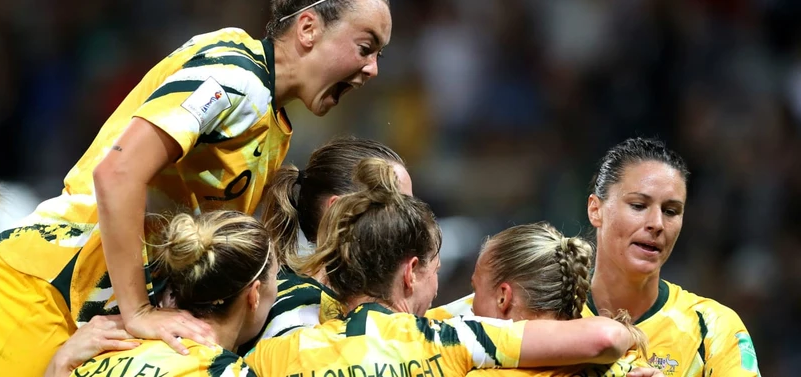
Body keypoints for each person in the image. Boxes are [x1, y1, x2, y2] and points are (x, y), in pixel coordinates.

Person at [0, 0, 391, 377]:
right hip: (37, 289)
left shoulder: (271, 122)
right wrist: (138, 311)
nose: (372, 69)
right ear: (308, 28)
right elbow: (117, 172)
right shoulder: (234, 78)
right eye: (365, 47)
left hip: (84, 307)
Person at [246, 159, 643, 377]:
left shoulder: (275, 354)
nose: (439, 290)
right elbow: (601, 338)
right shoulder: (448, 341)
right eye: (434, 272)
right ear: (410, 273)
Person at [581, 138, 761, 376]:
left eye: (670, 211)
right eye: (638, 205)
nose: (657, 224)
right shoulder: (549, 314)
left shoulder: (712, 328)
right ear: (595, 210)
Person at [46, 211, 278, 377]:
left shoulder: (101, 348)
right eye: (276, 277)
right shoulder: (228, 372)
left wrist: (60, 364)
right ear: (254, 294)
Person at [236, 137, 411, 352]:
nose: (413, 222)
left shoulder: (349, 301)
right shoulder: (297, 307)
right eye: (400, 209)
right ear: (340, 212)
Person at [467, 222, 659, 377]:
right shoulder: (630, 364)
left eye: (476, 290)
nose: (470, 307)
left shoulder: (467, 361)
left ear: (503, 297)